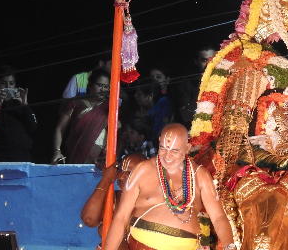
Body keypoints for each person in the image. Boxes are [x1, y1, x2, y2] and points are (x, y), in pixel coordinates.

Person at [103, 123, 235, 250]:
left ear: (187, 148)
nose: (167, 156)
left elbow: (218, 217)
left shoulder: (200, 176)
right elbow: (121, 218)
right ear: (159, 141)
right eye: (163, 148)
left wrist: (230, 246)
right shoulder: (143, 170)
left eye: (174, 151)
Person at [81, 152, 146, 250]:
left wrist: (108, 232)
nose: (121, 177)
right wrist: (106, 180)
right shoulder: (113, 198)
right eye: (120, 171)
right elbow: (89, 219)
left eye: (129, 172)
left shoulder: (153, 202)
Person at [52, 69, 111, 164]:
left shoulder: (110, 107)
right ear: (90, 85)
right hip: (75, 154)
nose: (102, 90)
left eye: (106, 87)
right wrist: (57, 151)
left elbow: (117, 133)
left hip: (100, 162)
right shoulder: (75, 103)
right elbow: (60, 129)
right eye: (99, 85)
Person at [0, 65, 37, 162]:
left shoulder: (20, 105)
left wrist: (25, 105)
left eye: (11, 83)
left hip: (22, 157)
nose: (7, 87)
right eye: (3, 83)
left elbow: (33, 127)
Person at [173, 46, 217, 129]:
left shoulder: (226, 79)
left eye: (212, 59)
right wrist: (198, 94)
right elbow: (185, 117)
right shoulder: (186, 83)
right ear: (196, 61)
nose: (208, 63)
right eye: (204, 60)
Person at [145, 66, 177, 147]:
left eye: (158, 77)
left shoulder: (167, 101)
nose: (154, 80)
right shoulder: (143, 99)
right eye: (152, 77)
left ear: (167, 80)